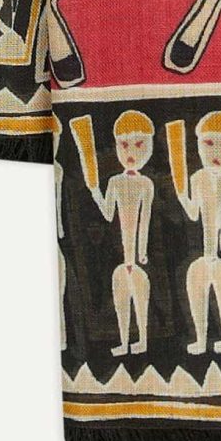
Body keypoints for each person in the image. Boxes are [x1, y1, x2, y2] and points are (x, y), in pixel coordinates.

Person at [78, 112, 156, 356]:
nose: (131, 151)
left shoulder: (146, 184)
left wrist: (142, 252)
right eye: (124, 145)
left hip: (135, 261)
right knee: (121, 301)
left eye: (139, 144)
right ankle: (124, 342)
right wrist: (94, 191)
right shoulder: (114, 182)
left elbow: (145, 220)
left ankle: (143, 341)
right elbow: (108, 214)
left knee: (140, 302)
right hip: (122, 260)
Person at [177, 111, 221, 354]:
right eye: (209, 143)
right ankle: (200, 339)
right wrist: (181, 195)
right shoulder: (198, 178)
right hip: (203, 257)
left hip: (217, 257)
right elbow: (193, 213)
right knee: (196, 290)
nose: (217, 153)